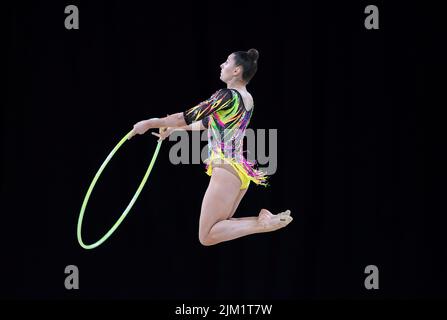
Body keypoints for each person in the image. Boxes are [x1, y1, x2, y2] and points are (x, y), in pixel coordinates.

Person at [128, 49, 293, 246]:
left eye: (226, 62)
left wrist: (148, 123)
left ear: (236, 70)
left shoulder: (226, 95)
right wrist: (173, 129)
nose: (221, 65)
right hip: (238, 171)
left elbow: (185, 117)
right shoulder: (246, 98)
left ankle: (261, 225)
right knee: (221, 227)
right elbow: (206, 124)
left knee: (206, 236)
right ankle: (263, 220)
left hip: (225, 168)